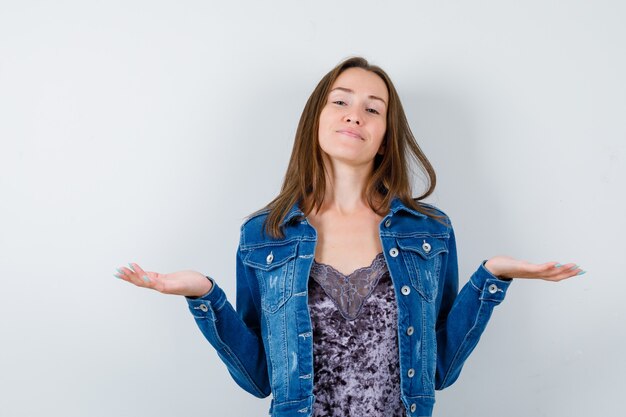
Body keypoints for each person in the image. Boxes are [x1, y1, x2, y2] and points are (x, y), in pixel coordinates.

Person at [114, 56, 584, 417]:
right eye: (340, 101)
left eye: (372, 109)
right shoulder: (263, 235)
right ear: (316, 118)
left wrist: (491, 280)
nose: (354, 115)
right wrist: (205, 296)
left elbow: (438, 369)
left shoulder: (429, 231)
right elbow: (260, 377)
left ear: (385, 134)